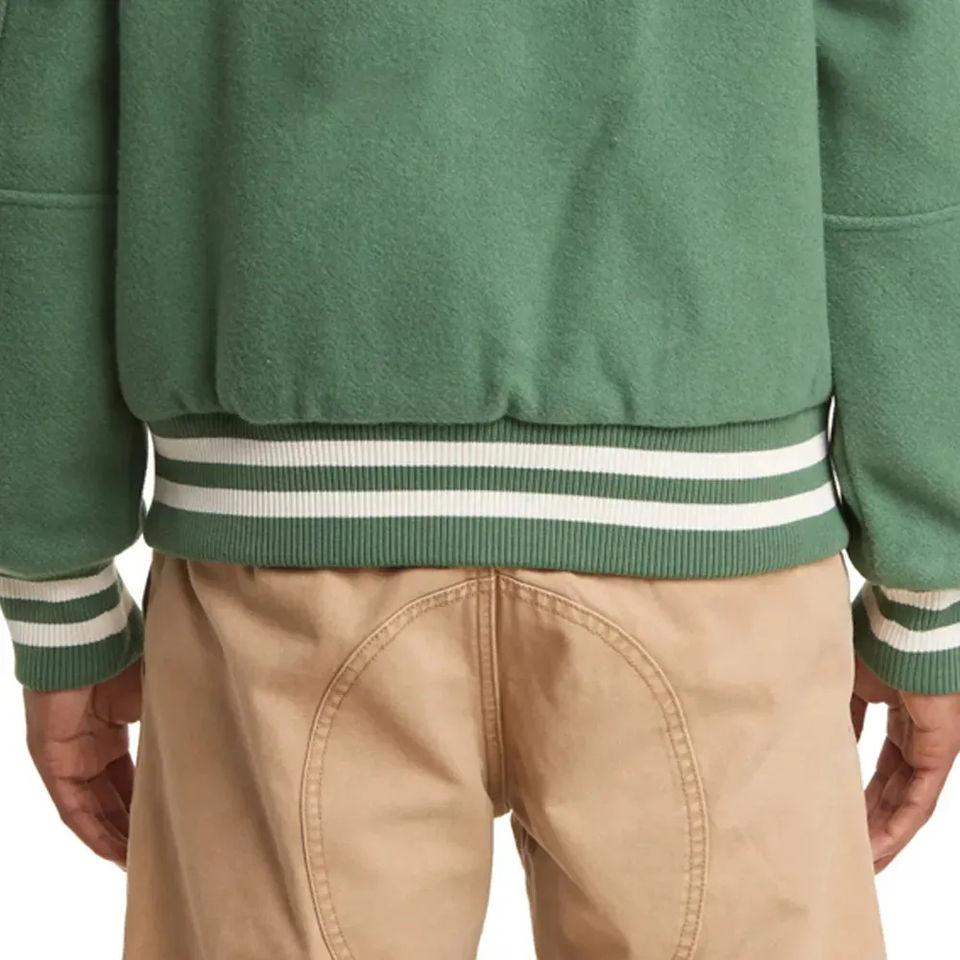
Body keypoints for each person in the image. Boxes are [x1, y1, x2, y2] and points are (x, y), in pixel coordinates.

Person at [1, 1, 959, 957]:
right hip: (712, 550)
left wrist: (58, 578)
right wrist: (925, 584)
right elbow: (899, 72)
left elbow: (48, 82)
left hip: (284, 554)